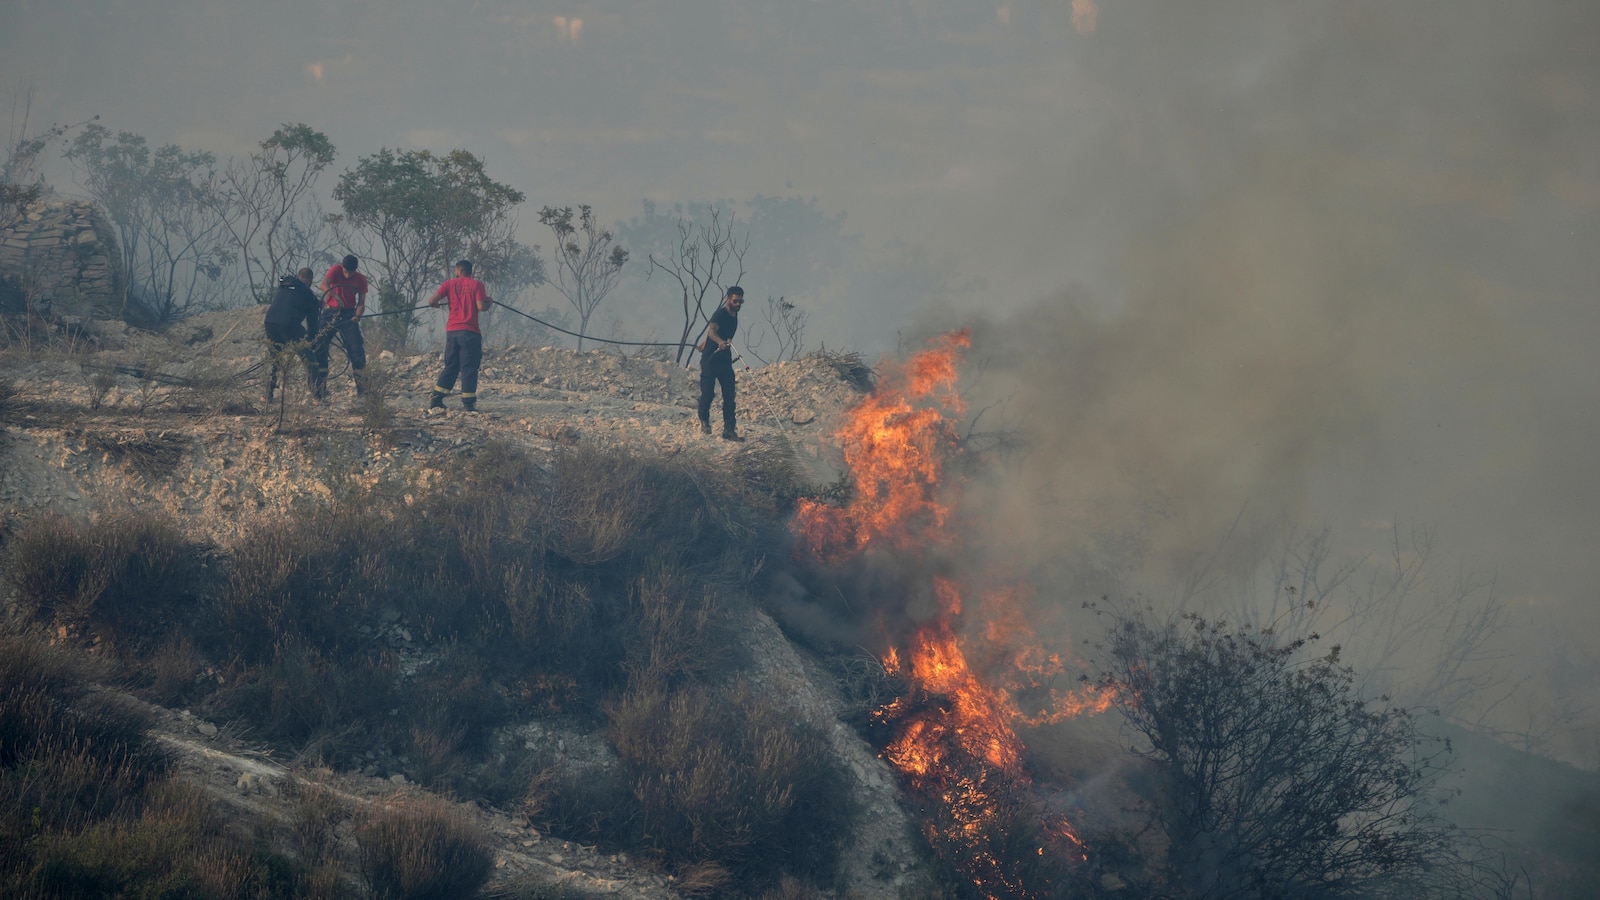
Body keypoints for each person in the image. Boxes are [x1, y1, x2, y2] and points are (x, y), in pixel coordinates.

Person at [425, 259, 492, 412]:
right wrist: (490, 302)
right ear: (470, 271)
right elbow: (481, 307)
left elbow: (431, 301)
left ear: (459, 271)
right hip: (470, 332)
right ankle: (468, 403)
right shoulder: (477, 285)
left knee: (451, 366)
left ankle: (436, 398)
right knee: (469, 367)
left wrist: (435, 304)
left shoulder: (449, 284)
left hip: (452, 332)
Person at [315, 254, 369, 398]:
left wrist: (358, 315)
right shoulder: (335, 270)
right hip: (330, 312)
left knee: (357, 352)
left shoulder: (361, 280)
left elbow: (362, 303)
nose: (347, 275)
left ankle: (363, 393)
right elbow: (323, 285)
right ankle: (319, 391)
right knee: (319, 346)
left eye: (350, 272)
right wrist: (336, 297)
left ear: (355, 270)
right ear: (342, 267)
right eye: (345, 271)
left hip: (348, 315)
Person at [262, 267, 320, 402]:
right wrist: (312, 341)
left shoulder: (283, 286)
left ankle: (267, 393)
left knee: (275, 359)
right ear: (310, 280)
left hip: (270, 322)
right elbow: (312, 324)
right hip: (290, 325)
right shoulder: (308, 294)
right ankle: (318, 395)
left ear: (298, 277)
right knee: (310, 360)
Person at [696, 285, 744, 441]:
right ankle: (704, 420)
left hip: (724, 361)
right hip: (711, 359)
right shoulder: (720, 314)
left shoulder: (734, 315)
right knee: (708, 394)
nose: (738, 304)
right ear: (728, 299)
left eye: (740, 301)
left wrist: (705, 341)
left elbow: (716, 331)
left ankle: (729, 430)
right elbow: (712, 331)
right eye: (735, 301)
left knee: (730, 395)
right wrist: (717, 342)